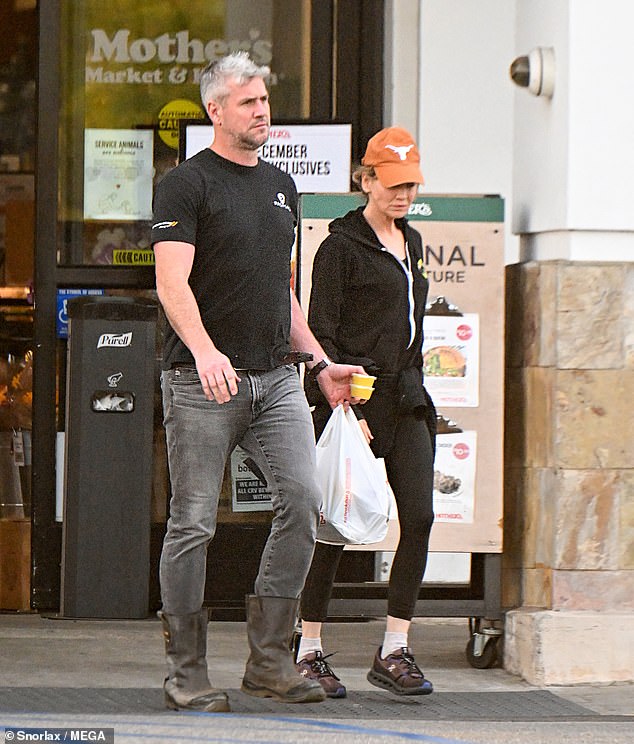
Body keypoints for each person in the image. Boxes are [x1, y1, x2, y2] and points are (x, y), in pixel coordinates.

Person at [151, 51, 363, 713]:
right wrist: (207, 352)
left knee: (302, 503)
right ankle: (186, 672)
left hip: (276, 381)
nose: (262, 111)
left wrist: (322, 364)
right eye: (248, 102)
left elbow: (283, 293)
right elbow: (170, 282)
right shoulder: (185, 185)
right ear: (216, 110)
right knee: (192, 524)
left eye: (264, 101)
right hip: (201, 383)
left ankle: (269, 662)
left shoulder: (280, 186)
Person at [295, 127, 437, 698]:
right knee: (332, 527)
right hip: (352, 400)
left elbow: (412, 329)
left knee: (421, 517)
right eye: (394, 183)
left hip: (406, 398)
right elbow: (319, 332)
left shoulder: (414, 242)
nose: (403, 194)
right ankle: (307, 648)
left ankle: (394, 647)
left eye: (412, 184)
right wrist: (342, 400)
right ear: (366, 179)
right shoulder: (339, 247)